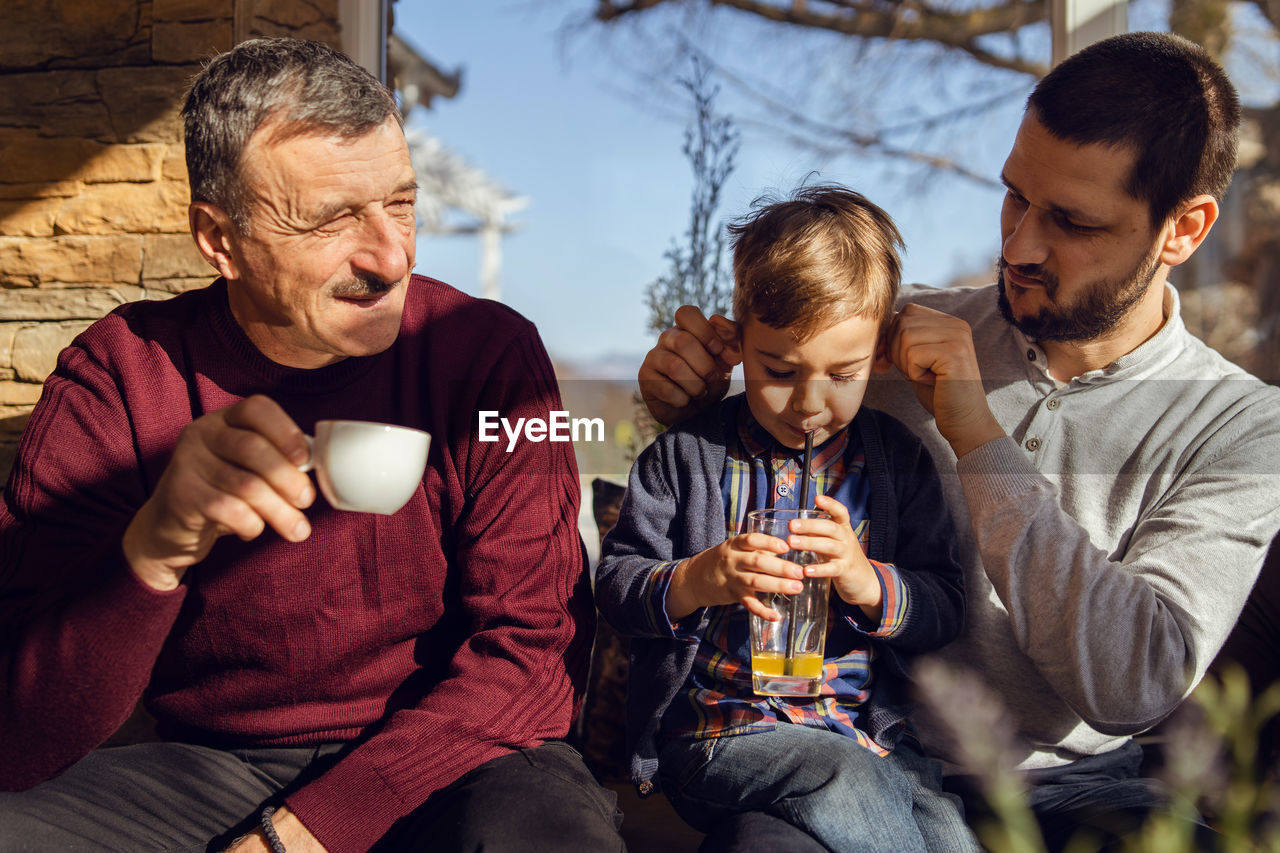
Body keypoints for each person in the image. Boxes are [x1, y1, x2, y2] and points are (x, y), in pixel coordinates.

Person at [636, 31, 1280, 850]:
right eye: (1014, 196)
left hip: (1081, 788)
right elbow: (732, 460)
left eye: (1071, 222)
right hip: (864, 750)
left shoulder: (1239, 423)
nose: (1017, 247)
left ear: (1183, 230)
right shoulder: (884, 338)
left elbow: (1132, 684)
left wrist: (976, 433)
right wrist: (682, 397)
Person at [0, 38, 623, 853]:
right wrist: (153, 553)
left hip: (459, 758)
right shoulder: (120, 378)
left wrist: (301, 835)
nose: (392, 256)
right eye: (333, 218)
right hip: (211, 767)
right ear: (218, 239)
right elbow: (19, 733)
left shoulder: (487, 356)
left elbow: (532, 662)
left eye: (401, 203)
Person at [597, 186, 978, 851]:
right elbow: (616, 585)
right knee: (843, 776)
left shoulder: (898, 463)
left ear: (879, 354)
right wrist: (697, 578)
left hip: (868, 739)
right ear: (739, 340)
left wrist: (868, 582)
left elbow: (945, 605)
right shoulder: (688, 454)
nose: (809, 401)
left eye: (843, 372)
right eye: (780, 369)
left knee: (944, 825)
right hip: (720, 737)